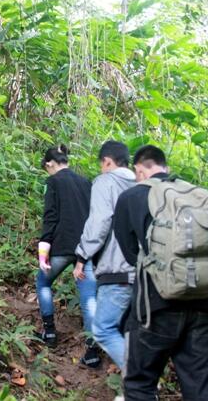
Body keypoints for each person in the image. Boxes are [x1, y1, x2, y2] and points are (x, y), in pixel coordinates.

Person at [114, 145, 208, 401]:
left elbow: (130, 255)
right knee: (202, 391)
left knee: (139, 385)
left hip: (156, 307)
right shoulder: (197, 194)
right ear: (166, 168)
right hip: (205, 303)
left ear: (139, 170)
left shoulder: (131, 197)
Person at [73, 141, 136, 371]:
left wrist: (82, 256)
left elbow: (99, 223)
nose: (101, 169)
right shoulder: (143, 184)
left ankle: (142, 387)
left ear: (108, 162)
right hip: (146, 273)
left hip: (117, 268)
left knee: (104, 330)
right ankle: (135, 390)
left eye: (102, 165)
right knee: (129, 332)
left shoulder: (106, 182)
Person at [35, 145, 96, 356]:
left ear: (50, 164)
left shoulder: (53, 181)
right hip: (85, 249)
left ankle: (50, 333)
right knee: (89, 298)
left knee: (43, 282)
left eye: (47, 168)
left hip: (61, 245)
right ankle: (92, 352)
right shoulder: (86, 182)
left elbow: (50, 216)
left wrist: (44, 248)